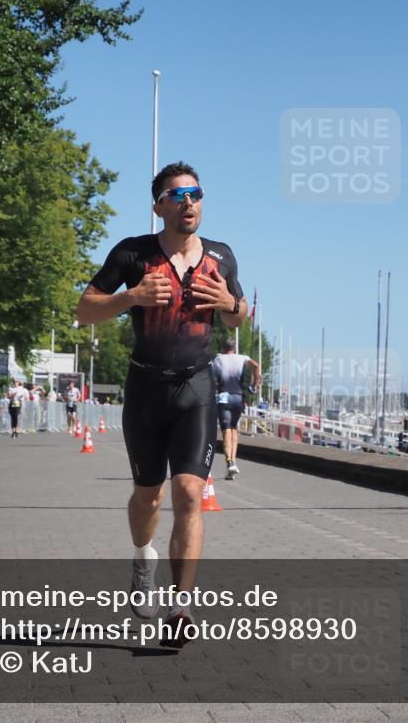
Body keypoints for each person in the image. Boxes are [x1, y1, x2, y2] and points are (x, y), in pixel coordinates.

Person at [76, 161, 245, 648]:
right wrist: (131, 297)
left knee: (190, 494)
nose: (188, 202)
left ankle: (180, 606)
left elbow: (238, 319)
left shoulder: (221, 256)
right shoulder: (132, 253)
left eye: (195, 193)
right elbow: (84, 309)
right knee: (148, 496)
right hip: (146, 389)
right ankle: (141, 555)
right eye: (177, 195)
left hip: (196, 388)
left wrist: (228, 303)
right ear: (158, 206)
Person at [211, 337, 261, 479]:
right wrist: (255, 385)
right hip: (238, 397)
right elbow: (256, 366)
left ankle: (229, 462)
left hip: (223, 397)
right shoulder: (242, 358)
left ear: (222, 348)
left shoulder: (218, 360)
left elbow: (209, 374)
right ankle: (233, 463)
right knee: (234, 429)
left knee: (226, 430)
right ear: (234, 348)